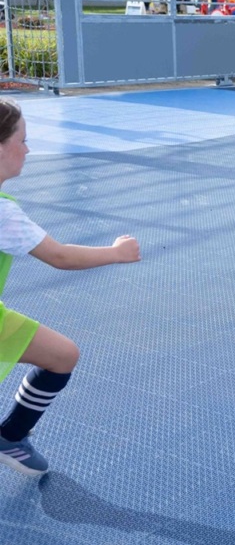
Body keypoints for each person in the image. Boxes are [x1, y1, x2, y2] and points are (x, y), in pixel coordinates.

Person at [0, 98, 141, 476]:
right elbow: (60, 257)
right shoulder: (2, 212)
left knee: (61, 355)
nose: (28, 149)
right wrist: (117, 253)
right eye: (22, 140)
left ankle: (10, 436)